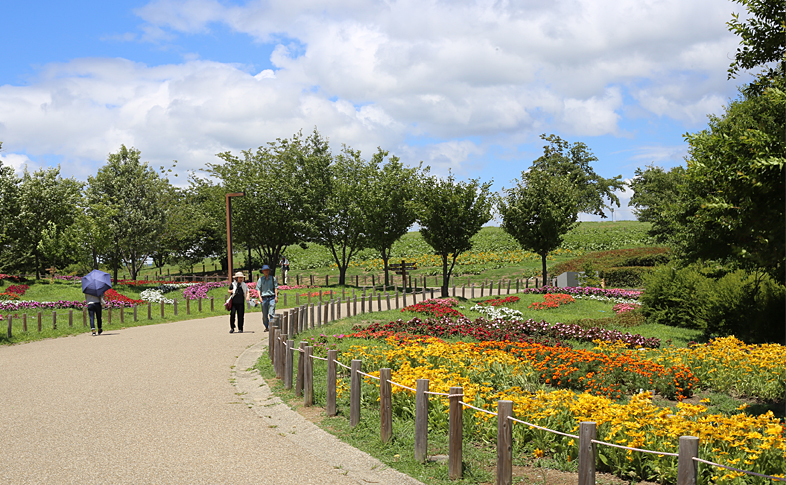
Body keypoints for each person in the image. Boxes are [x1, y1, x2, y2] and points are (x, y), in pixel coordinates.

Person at [256, 264, 278, 332]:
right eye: (265, 270)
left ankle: (271, 326)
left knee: (272, 313)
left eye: (267, 270)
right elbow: (258, 289)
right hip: (264, 298)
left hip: (272, 297)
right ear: (262, 271)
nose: (266, 272)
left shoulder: (273, 278)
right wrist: (259, 297)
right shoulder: (260, 280)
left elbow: (275, 288)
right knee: (264, 315)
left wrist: (276, 296)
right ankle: (267, 326)